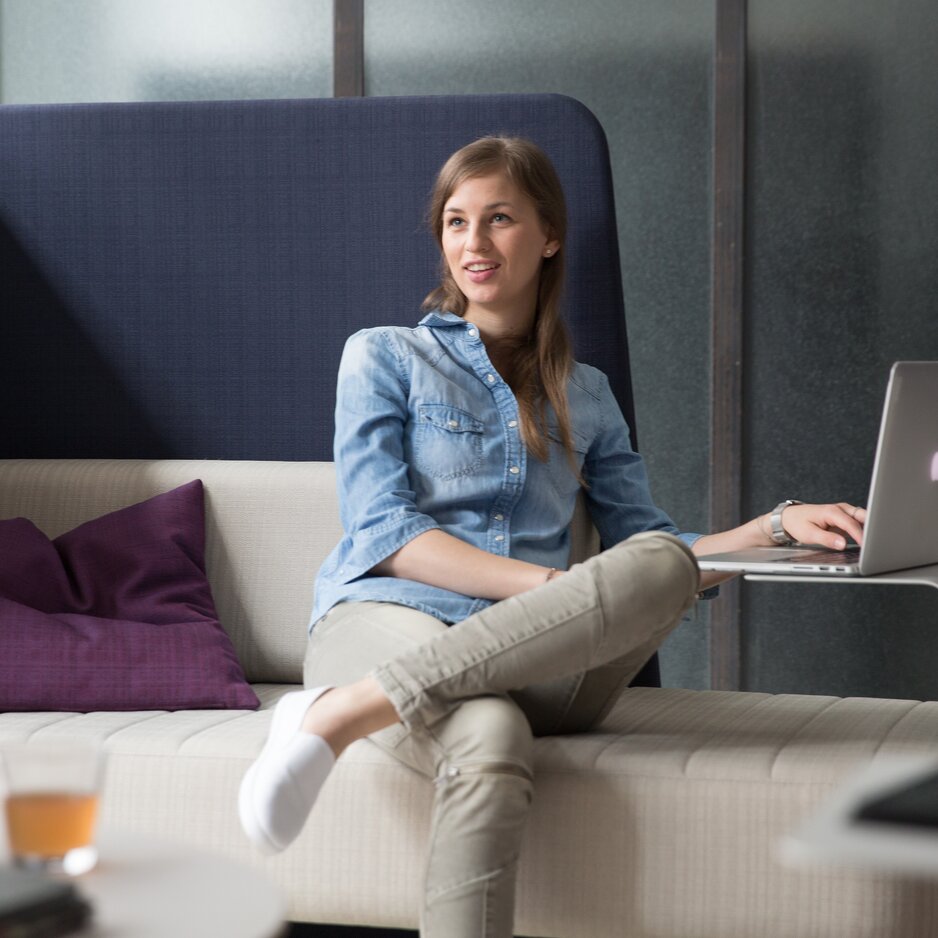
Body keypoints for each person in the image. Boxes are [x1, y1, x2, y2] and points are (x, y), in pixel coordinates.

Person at [238, 136, 866, 937]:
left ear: (549, 234)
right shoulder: (383, 357)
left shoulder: (590, 396)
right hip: (388, 616)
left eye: (499, 219)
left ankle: (338, 714)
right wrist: (552, 591)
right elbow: (387, 534)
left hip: (543, 657)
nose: (474, 243)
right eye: (456, 222)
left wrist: (777, 527)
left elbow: (656, 549)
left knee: (656, 567)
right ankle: (344, 702)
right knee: (490, 742)